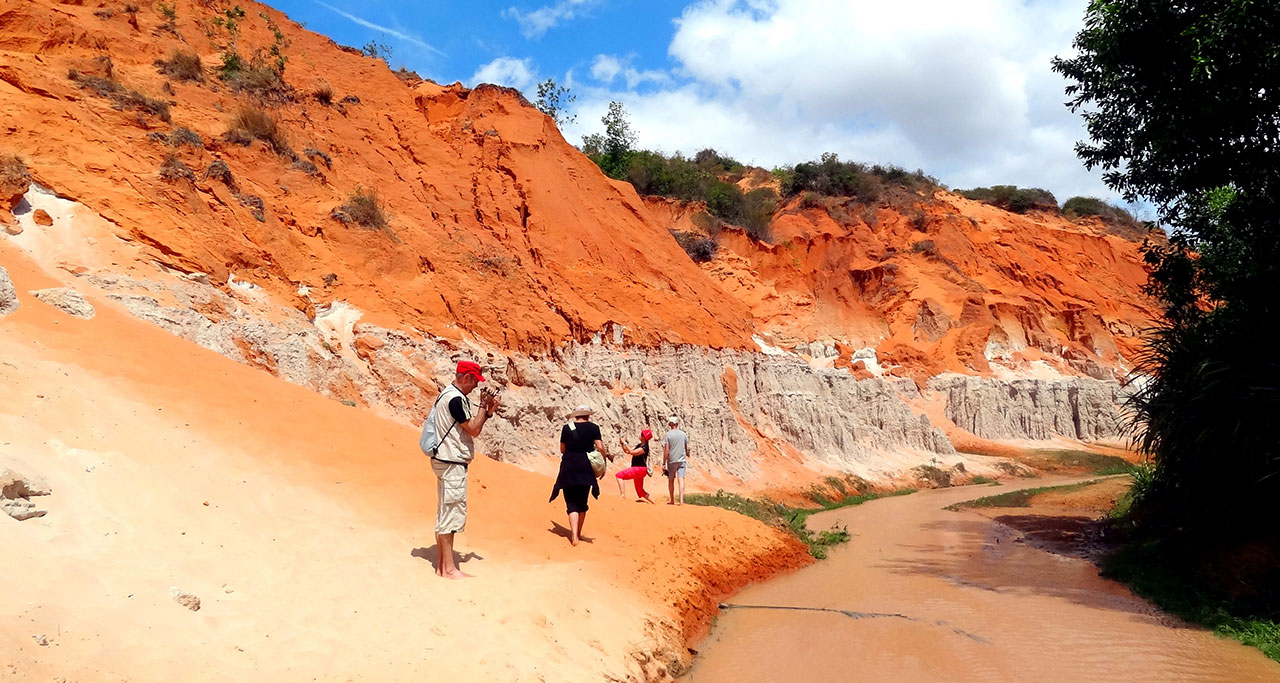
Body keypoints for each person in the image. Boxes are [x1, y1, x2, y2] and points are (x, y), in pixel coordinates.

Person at [423, 360, 498, 579]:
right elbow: (474, 429)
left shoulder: (447, 394)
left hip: (444, 460)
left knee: (445, 511)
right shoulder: (456, 399)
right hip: (451, 462)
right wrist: (485, 408)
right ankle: (449, 570)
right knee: (451, 514)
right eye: (475, 381)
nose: (476, 386)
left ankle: (441, 566)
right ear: (466, 377)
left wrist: (487, 411)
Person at [550, 404, 608, 546]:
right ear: (588, 415)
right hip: (585, 468)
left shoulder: (566, 428)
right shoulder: (594, 428)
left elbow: (562, 449)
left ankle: (574, 536)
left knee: (571, 503)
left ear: (576, 415)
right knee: (582, 502)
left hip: (569, 467)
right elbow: (600, 447)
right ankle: (578, 534)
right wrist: (603, 461)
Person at [615, 429, 655, 504]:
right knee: (640, 491)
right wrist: (622, 444)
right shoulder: (639, 445)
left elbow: (632, 452)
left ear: (645, 438)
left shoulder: (645, 448)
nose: (640, 435)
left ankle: (622, 495)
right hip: (640, 470)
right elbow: (627, 451)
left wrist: (625, 442)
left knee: (619, 476)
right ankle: (654, 503)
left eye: (642, 434)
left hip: (639, 469)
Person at [662, 416, 689, 505]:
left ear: (670, 424)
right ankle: (681, 501)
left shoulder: (668, 435)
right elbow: (687, 448)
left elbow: (666, 450)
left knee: (671, 480)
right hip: (681, 460)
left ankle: (672, 500)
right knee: (681, 479)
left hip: (672, 461)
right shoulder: (683, 434)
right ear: (677, 424)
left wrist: (664, 462)